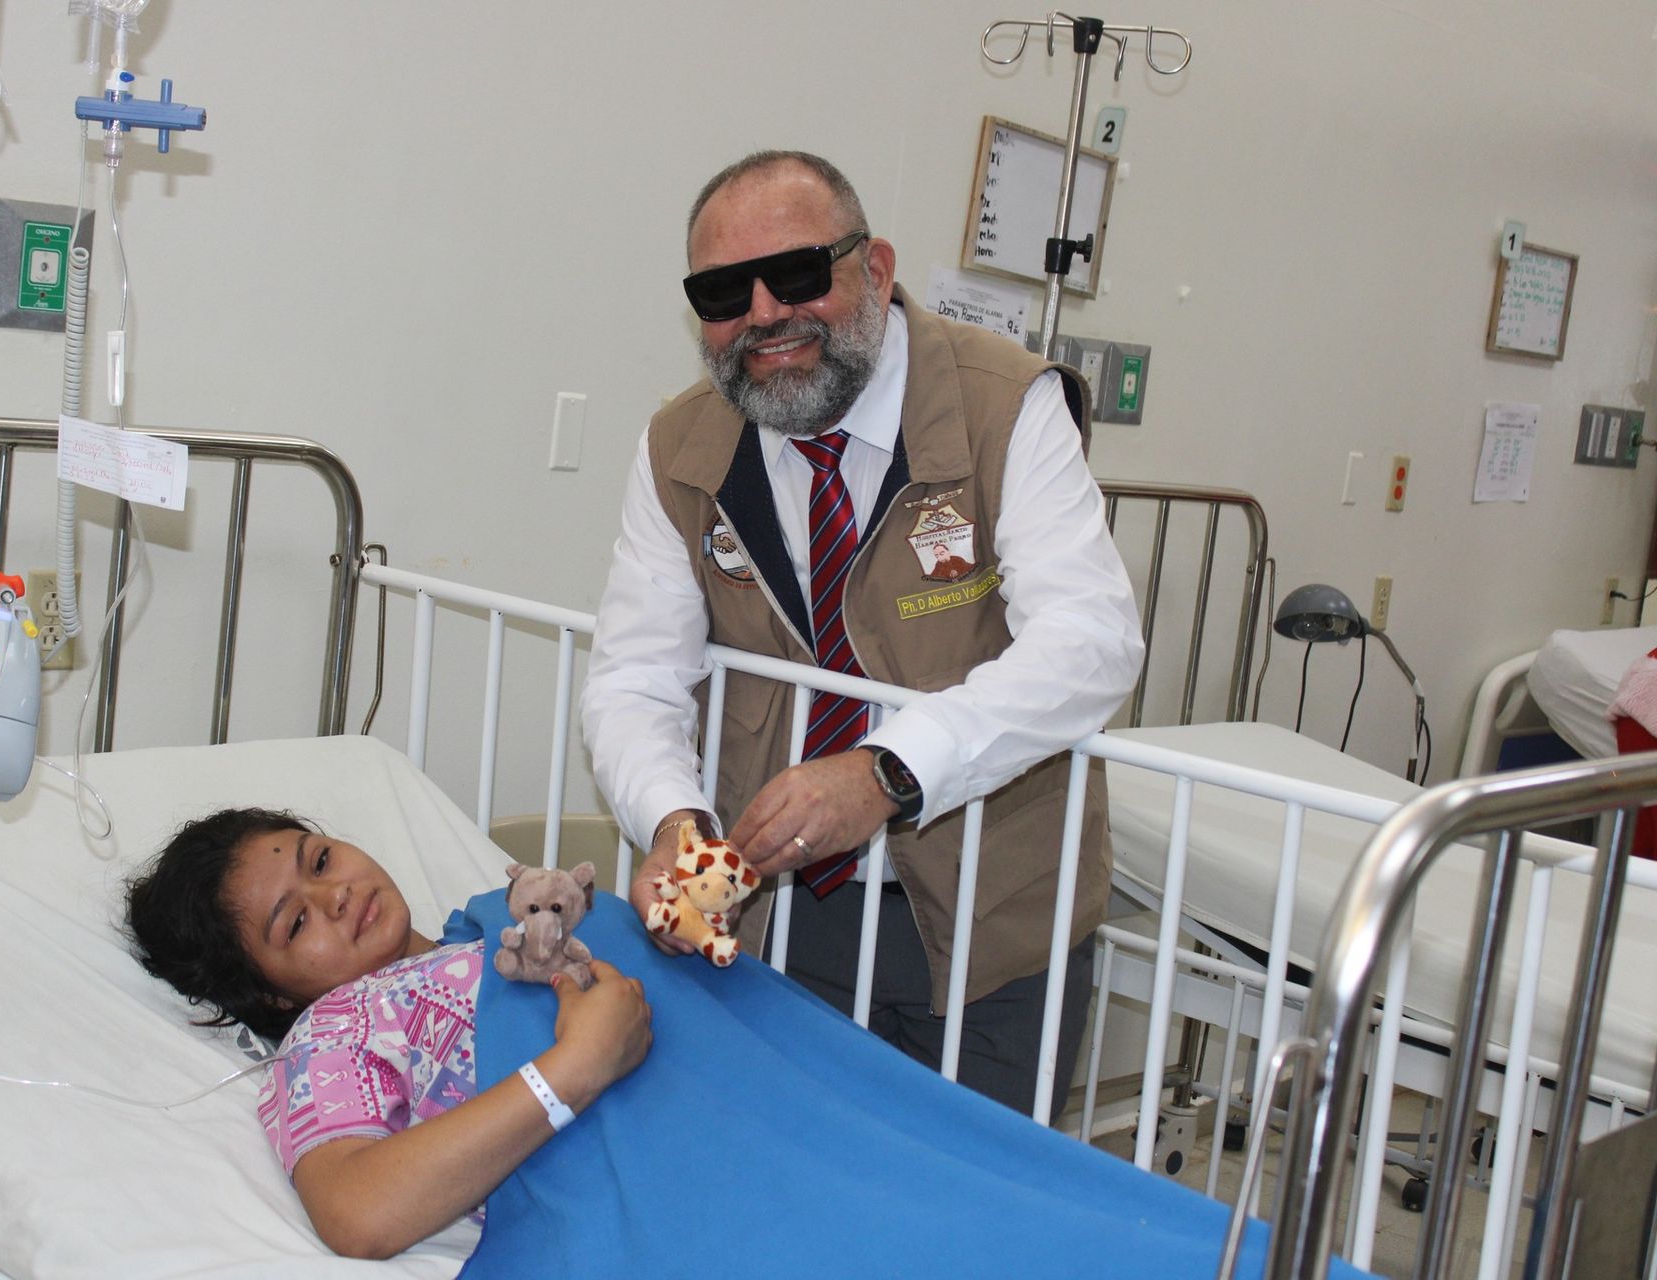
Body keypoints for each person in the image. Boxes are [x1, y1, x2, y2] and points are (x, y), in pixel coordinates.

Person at [579, 150, 1144, 1118]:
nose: (763, 313)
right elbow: (634, 675)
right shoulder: (682, 450)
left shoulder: (1004, 406)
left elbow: (1092, 641)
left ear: (875, 270)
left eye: (799, 274)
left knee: (965, 1221)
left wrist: (886, 769)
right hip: (781, 912)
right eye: (723, 292)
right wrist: (673, 819)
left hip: (987, 919)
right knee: (780, 1183)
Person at [124, 807, 652, 1260]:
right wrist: (577, 1068)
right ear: (272, 996)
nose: (336, 895)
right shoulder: (334, 1029)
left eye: (321, 861)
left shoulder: (505, 914)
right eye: (296, 924)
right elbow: (356, 1209)